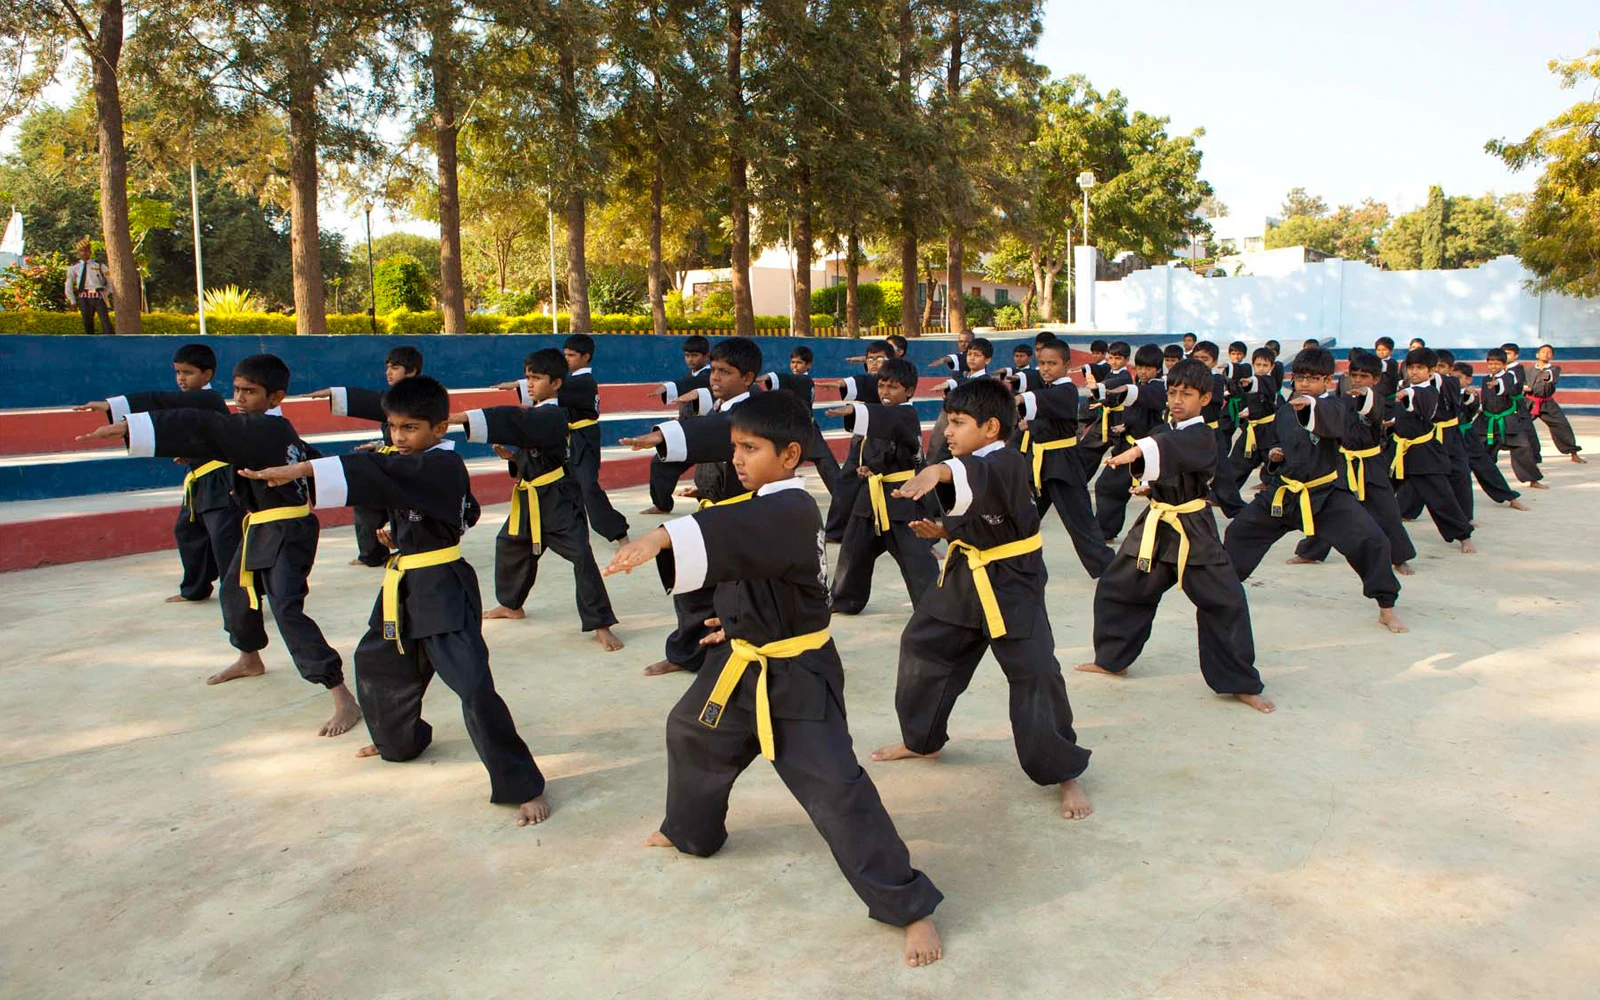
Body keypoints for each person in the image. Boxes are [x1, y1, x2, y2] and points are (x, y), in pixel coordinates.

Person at [604, 390, 945, 968]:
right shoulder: (763, 498)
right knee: (690, 732)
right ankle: (691, 831)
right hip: (741, 659)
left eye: (750, 448)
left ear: (790, 455)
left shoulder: (789, 507)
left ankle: (909, 905)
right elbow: (747, 561)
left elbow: (736, 532)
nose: (737, 458)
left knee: (837, 788)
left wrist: (660, 537)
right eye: (735, 446)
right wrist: (731, 622)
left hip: (795, 674)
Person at [240, 376, 551, 827]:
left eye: (411, 429)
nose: (398, 438)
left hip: (443, 590)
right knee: (376, 664)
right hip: (401, 588)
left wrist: (304, 470)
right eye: (393, 427)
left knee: (473, 688)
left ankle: (523, 786)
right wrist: (397, 534)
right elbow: (406, 490)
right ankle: (398, 741)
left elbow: (398, 478)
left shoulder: (443, 466)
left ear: (440, 429)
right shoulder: (406, 460)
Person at [76, 354, 361, 735]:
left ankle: (341, 694)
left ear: (276, 398)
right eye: (238, 390)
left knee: (287, 609)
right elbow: (239, 441)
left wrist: (128, 427)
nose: (240, 398)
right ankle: (250, 658)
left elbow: (202, 423)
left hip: (288, 533)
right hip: (259, 528)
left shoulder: (262, 429)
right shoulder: (266, 428)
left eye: (251, 392)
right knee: (233, 594)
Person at [871, 379, 1095, 822]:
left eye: (957, 423)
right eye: (946, 421)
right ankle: (922, 740)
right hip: (964, 574)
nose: (947, 431)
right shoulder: (967, 462)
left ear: (991, 426)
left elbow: (983, 480)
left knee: (1035, 673)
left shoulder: (1007, 461)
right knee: (923, 646)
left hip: (1012, 581)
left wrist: (937, 471)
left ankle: (1064, 771)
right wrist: (945, 531)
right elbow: (975, 513)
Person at [1075, 360, 1273, 712]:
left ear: (1206, 398)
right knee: (1118, 587)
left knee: (1224, 602)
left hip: (1193, 528)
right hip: (1156, 524)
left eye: (1187, 394)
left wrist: (1137, 451)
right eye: (1173, 392)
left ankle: (1240, 681)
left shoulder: (1203, 434)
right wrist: (1149, 488)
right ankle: (1112, 658)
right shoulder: (1168, 428)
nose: (1177, 400)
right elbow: (1164, 456)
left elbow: (1172, 449)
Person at [1223, 346, 1407, 634]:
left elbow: (1346, 421)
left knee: (1372, 541)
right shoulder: (1284, 411)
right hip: (1285, 493)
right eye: (1300, 377)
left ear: (1327, 380)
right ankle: (1221, 591)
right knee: (1239, 532)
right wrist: (1275, 457)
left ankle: (1386, 606)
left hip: (1326, 494)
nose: (1305, 383)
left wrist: (1313, 407)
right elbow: (1275, 444)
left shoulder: (1338, 407)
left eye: (1313, 378)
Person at [621, 336, 763, 677]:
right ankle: (687, 654)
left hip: (742, 515)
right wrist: (702, 486)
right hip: (714, 510)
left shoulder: (750, 412)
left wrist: (662, 436)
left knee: (741, 590)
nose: (715, 378)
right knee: (692, 583)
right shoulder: (722, 406)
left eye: (725, 372)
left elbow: (720, 434)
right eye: (713, 370)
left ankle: (748, 654)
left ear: (747, 378)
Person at [465, 349, 624, 651]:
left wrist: (467, 419)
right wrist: (512, 458)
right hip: (529, 499)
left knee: (581, 556)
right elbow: (531, 450)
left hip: (558, 501)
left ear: (556, 384)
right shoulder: (537, 413)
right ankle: (512, 605)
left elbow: (523, 425)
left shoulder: (554, 414)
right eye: (527, 377)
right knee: (510, 545)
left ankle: (601, 623)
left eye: (536, 378)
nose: (529, 384)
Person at [75, 342, 243, 604]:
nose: (181, 379)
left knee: (225, 540)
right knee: (188, 533)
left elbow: (162, 402)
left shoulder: (209, 398)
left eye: (187, 373)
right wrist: (188, 454)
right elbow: (191, 432)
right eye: (177, 373)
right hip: (199, 480)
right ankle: (195, 589)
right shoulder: (196, 401)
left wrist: (111, 407)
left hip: (221, 482)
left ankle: (242, 598)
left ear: (206, 375)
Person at [827, 358, 941, 614]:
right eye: (881, 386)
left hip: (901, 496)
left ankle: (934, 606)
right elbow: (879, 450)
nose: (885, 393)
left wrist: (854, 412)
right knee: (853, 549)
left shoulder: (906, 415)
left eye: (892, 387)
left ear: (909, 391)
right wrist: (869, 468)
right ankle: (845, 599)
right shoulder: (883, 416)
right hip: (871, 495)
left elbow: (892, 424)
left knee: (915, 556)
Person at [1288, 352, 1418, 575]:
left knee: (1387, 511)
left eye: (1364, 376)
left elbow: (1374, 411)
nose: (1357, 380)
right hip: (1342, 461)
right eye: (1354, 375)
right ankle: (1311, 551)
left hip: (1370, 462)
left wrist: (1365, 395)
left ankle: (1400, 557)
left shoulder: (1376, 399)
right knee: (1328, 508)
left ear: (1376, 380)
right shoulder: (1339, 399)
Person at [310, 344, 423, 568]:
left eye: (396, 368)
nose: (389, 372)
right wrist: (380, 445)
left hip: (413, 465)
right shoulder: (395, 399)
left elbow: (379, 405)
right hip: (390, 460)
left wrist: (338, 394)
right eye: (387, 367)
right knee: (365, 501)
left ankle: (409, 548)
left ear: (411, 372)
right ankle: (372, 554)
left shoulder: (418, 398)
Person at [1018, 339, 1114, 578]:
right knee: (1023, 516)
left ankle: (1110, 569)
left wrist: (1018, 401)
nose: (1046, 368)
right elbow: (1045, 410)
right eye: (1042, 363)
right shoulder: (1048, 388)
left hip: (1063, 463)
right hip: (1039, 464)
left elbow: (1045, 403)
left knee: (1080, 522)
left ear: (1067, 365)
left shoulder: (1067, 390)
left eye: (1052, 363)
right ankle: (1013, 562)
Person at [1386, 349, 1475, 553]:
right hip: (1397, 450)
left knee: (1441, 497)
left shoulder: (1430, 392)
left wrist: (1406, 394)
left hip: (1424, 452)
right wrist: (1391, 421)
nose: (1414, 372)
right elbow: (1404, 414)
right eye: (1411, 368)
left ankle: (1463, 535)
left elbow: (1419, 402)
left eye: (1420, 368)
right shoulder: (1405, 388)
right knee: (1374, 491)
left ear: (1431, 371)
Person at [559, 333, 632, 542]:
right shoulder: (572, 380)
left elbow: (553, 389)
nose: (567, 359)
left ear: (585, 357)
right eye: (565, 355)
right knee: (567, 485)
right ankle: (567, 530)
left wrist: (521, 385)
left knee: (588, 486)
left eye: (571, 355)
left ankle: (618, 531)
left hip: (584, 438)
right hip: (571, 437)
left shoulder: (583, 381)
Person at [1092, 345, 1168, 542]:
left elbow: (1145, 397)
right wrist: (1125, 426)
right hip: (1128, 447)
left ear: (1157, 369)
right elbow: (1137, 412)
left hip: (1151, 451)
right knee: (1107, 486)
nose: (1142, 372)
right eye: (1140, 367)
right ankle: (1104, 531)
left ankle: (1181, 529)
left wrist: (1125, 388)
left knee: (1164, 495)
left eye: (1148, 368)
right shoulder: (1140, 385)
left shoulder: (1158, 388)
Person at [821, 340, 893, 543]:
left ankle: (921, 539)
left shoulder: (898, 380)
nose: (874, 363)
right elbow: (856, 383)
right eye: (870, 359)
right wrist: (840, 384)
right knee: (846, 482)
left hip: (893, 441)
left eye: (880, 358)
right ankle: (836, 532)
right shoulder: (866, 380)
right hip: (865, 439)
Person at [642, 335, 712, 514]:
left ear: (706, 355)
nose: (690, 359)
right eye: (687, 355)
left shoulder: (710, 376)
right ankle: (662, 504)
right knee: (661, 463)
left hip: (709, 433)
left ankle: (710, 505)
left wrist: (669, 387)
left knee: (708, 474)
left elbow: (694, 385)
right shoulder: (690, 376)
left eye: (695, 355)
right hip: (688, 433)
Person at [761, 345, 841, 491]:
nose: (795, 366)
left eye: (799, 363)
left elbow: (787, 379)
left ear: (808, 365)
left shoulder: (804, 381)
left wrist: (767, 377)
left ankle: (842, 496)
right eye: (793, 362)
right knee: (783, 463)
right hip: (794, 428)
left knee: (826, 464)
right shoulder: (796, 382)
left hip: (807, 429)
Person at [1453, 362, 1530, 510]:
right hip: (1447, 435)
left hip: (1466, 434)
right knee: (1429, 472)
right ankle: (1406, 509)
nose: (1454, 380)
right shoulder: (1440, 391)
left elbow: (1472, 408)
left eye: (1459, 377)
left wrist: (1468, 395)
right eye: (1451, 376)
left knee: (1485, 466)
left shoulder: (1471, 393)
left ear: (1468, 379)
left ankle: (1510, 497)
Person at [1187, 341, 1246, 517]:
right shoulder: (1186, 378)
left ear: (1214, 362)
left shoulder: (1217, 380)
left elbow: (1213, 399)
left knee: (1223, 476)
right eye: (1196, 358)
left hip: (1210, 433)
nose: (1200, 362)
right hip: (1189, 434)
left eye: (1205, 359)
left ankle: (1239, 513)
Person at [1480, 348, 1544, 489]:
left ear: (1504, 364)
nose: (1493, 367)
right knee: (1480, 450)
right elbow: (1485, 398)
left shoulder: (1509, 377)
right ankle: (1484, 478)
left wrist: (1497, 384)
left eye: (1497, 364)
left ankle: (1532, 479)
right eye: (1491, 364)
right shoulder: (1485, 379)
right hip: (1489, 420)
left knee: (1522, 447)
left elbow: (1507, 387)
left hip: (1508, 419)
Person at [1229, 347, 1282, 491]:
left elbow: (1260, 387)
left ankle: (1271, 485)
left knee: (1270, 459)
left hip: (1268, 429)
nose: (1261, 368)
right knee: (1237, 460)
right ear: (1253, 364)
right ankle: (1225, 494)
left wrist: (1250, 382)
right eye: (1258, 365)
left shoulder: (1269, 381)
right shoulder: (1252, 381)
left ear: (1272, 366)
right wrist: (1247, 410)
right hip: (1252, 429)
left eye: (1265, 365)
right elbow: (1250, 398)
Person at [1528, 345, 1586, 463]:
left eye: (1549, 352)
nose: (1546, 354)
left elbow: (1548, 378)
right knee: (1519, 425)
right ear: (1537, 355)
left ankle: (1573, 452)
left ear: (1552, 356)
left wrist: (1531, 386)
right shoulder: (1527, 370)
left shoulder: (1554, 370)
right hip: (1529, 402)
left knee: (1562, 425)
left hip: (1547, 403)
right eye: (1543, 352)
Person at [64, 237, 113, 335]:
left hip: (98, 296)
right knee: (87, 322)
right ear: (78, 252)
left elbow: (110, 282)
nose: (84, 253)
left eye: (87, 250)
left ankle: (110, 341)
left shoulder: (99, 265)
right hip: (84, 297)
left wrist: (105, 294)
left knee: (105, 321)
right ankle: (91, 344)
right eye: (82, 251)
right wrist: (72, 300)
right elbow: (68, 284)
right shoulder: (74, 267)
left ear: (90, 252)